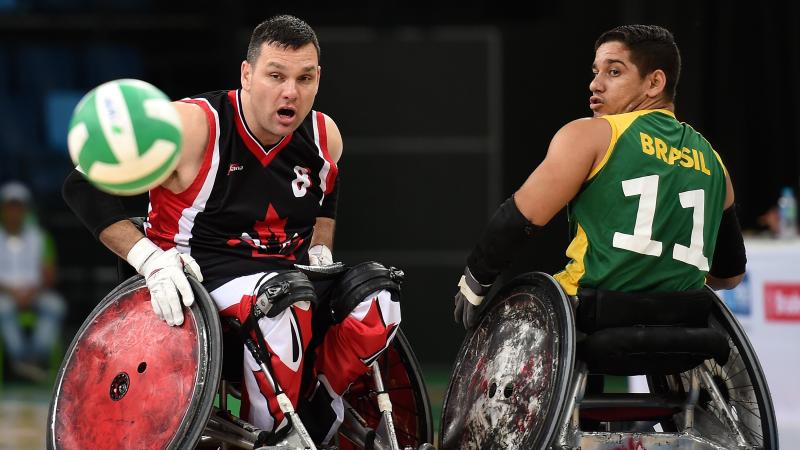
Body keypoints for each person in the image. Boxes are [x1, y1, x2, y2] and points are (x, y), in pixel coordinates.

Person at [63, 15, 401, 446]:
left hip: (289, 279)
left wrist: (320, 249)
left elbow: (326, 196)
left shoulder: (323, 136)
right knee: (284, 301)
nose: (290, 92)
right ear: (246, 73)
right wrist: (149, 259)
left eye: (305, 78)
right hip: (203, 281)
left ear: (318, 79)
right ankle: (275, 433)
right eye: (275, 76)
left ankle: (316, 413)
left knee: (380, 294)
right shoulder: (191, 126)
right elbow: (81, 183)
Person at [454, 25, 746, 329]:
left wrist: (476, 280)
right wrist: (661, 274)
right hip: (680, 325)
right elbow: (730, 274)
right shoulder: (714, 163)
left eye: (614, 72)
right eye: (595, 72)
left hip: (591, 314)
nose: (595, 84)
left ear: (654, 82)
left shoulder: (593, 135)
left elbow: (517, 219)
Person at [0, 181, 66, 382]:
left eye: (19, 207)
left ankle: (36, 357)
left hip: (35, 292)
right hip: (5, 293)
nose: (14, 212)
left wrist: (31, 292)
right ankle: (21, 359)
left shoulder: (40, 238)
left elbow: (49, 275)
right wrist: (13, 293)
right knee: (3, 308)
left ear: (26, 210)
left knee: (55, 305)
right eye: (10, 207)